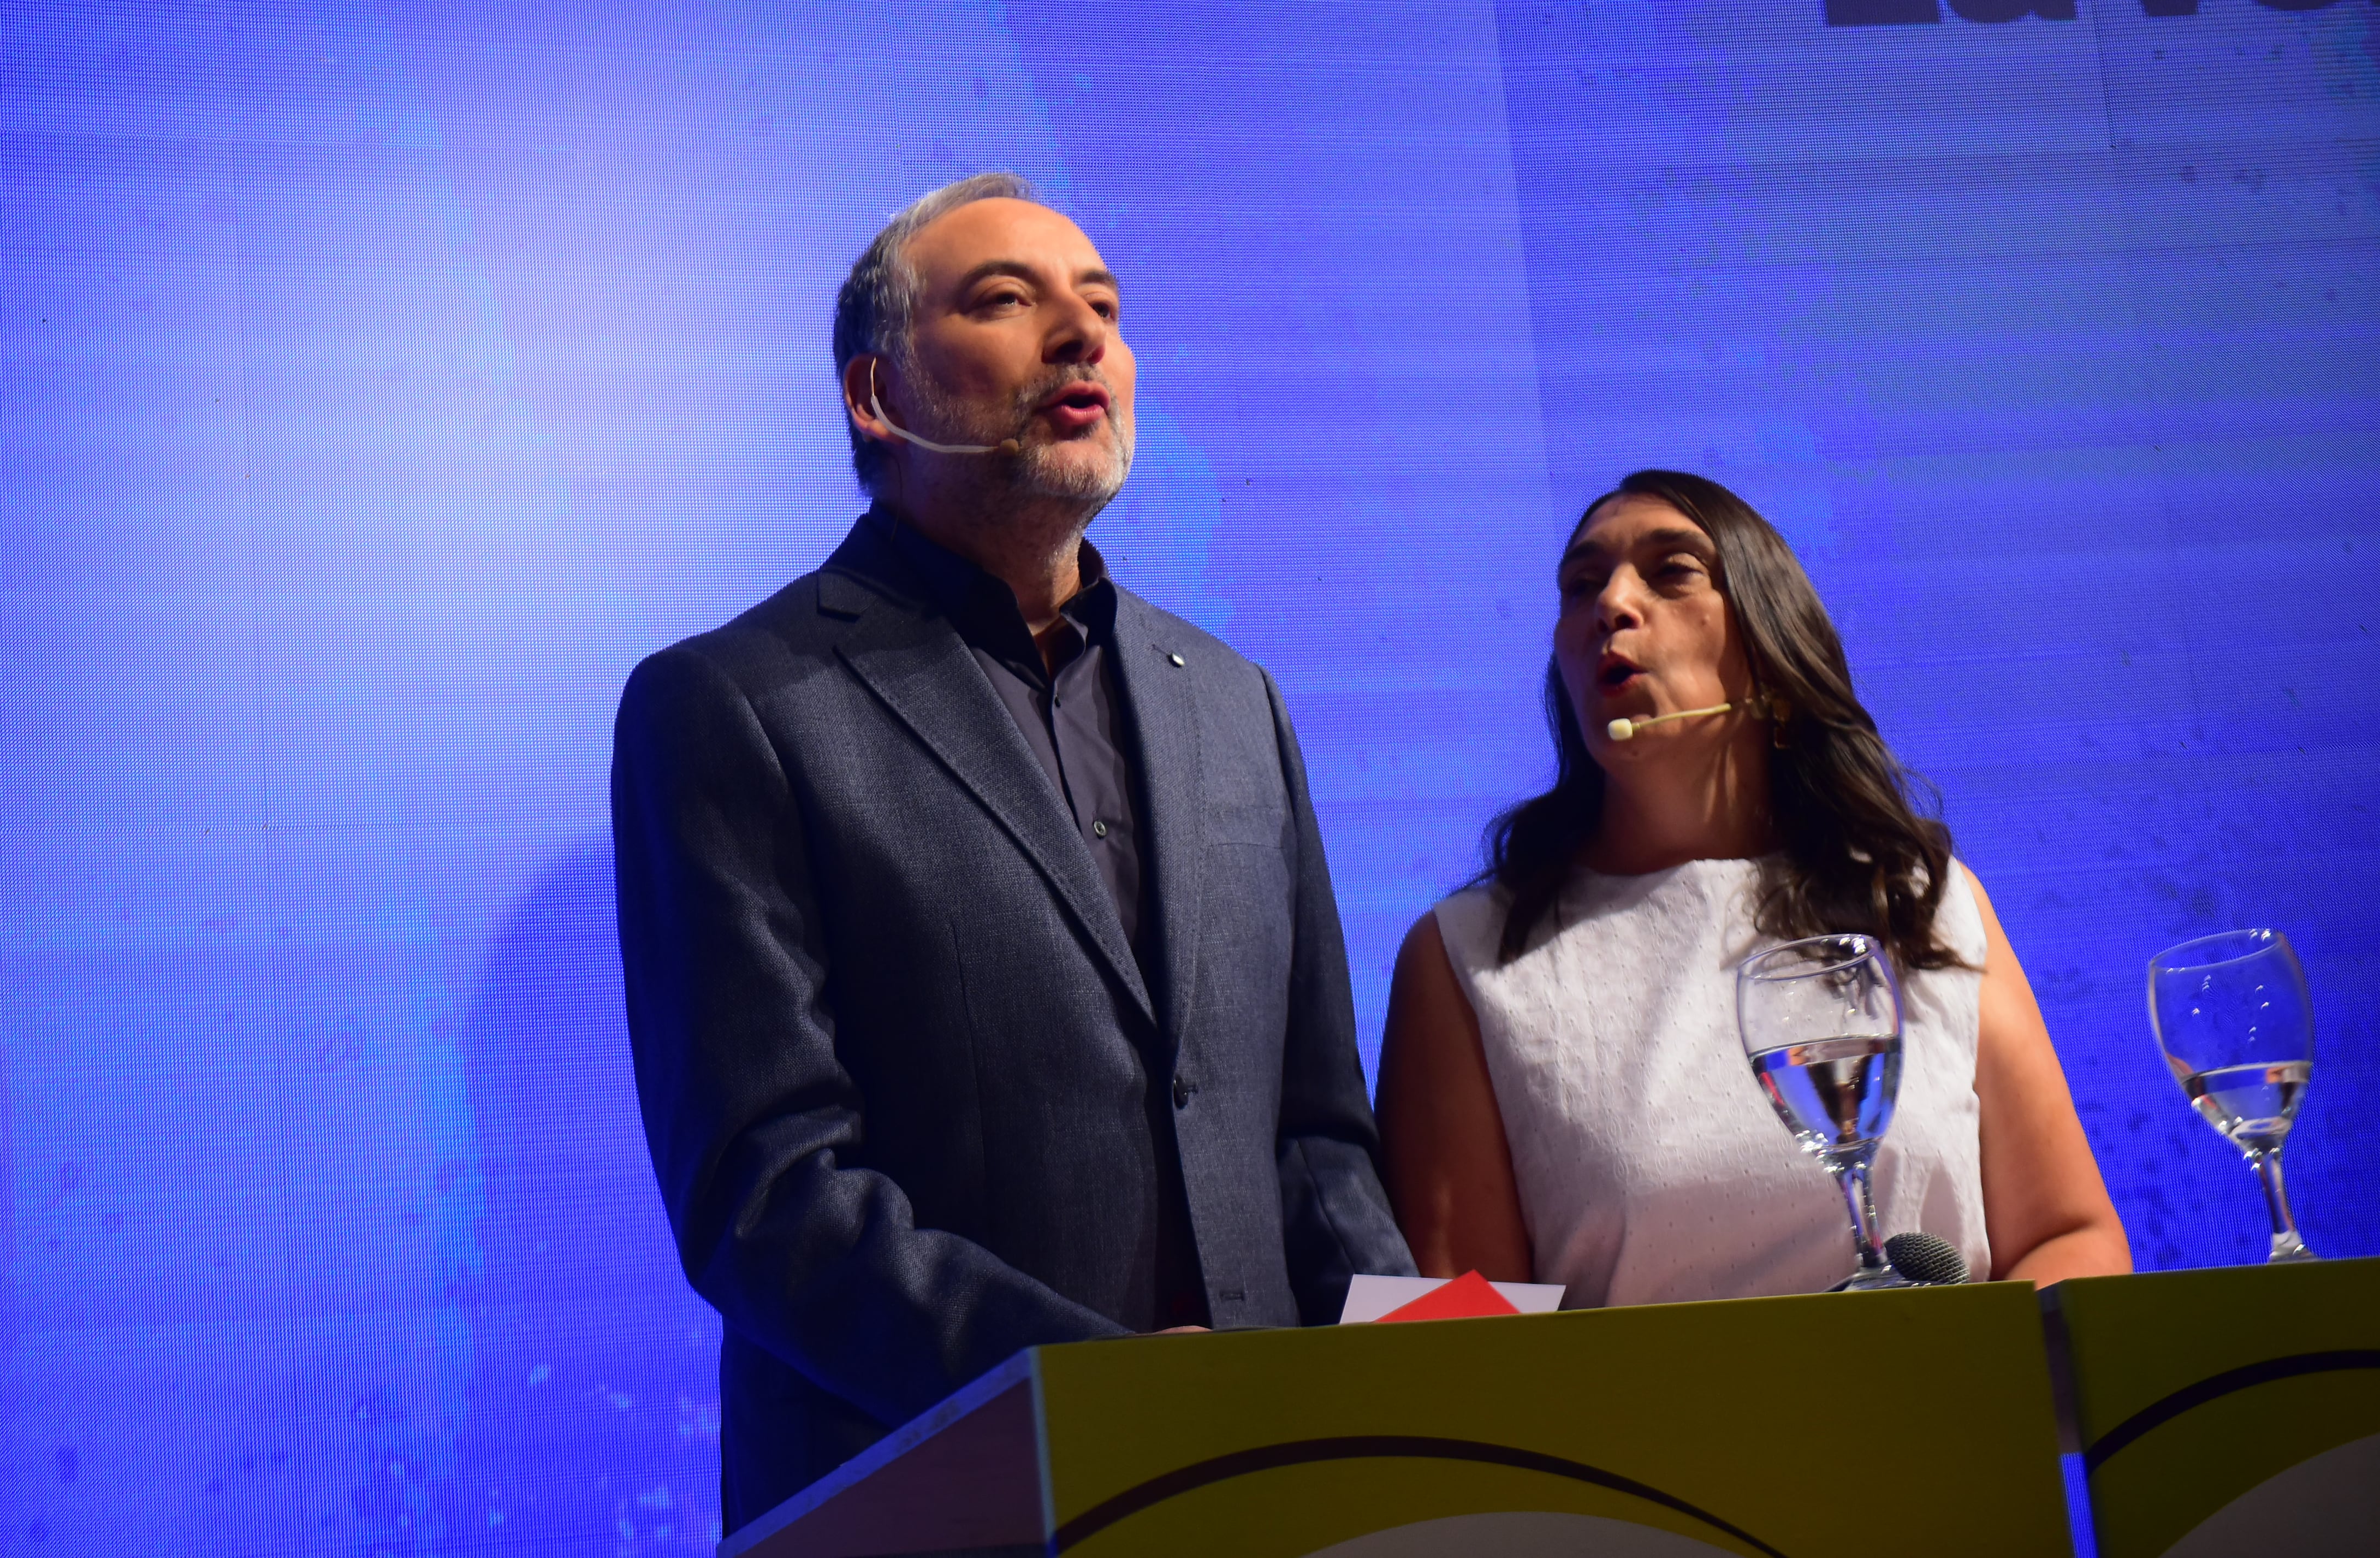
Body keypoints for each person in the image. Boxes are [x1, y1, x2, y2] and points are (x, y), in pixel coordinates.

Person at [613, 173, 1410, 1531]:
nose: (1080, 334)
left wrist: (1420, 1385)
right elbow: (769, 1197)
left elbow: (1318, 1143)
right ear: (879, 394)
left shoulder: (1233, 700)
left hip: (1273, 1499)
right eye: (1006, 300)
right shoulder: (733, 703)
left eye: (1102, 307)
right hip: (938, 1503)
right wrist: (1100, 1392)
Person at [1376, 470, 2128, 1307]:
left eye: (1671, 572)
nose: (1612, 604)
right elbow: (1468, 1338)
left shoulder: (1921, 900)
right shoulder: (1468, 957)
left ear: (1773, 650)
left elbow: (2074, 1237)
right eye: (1581, 585)